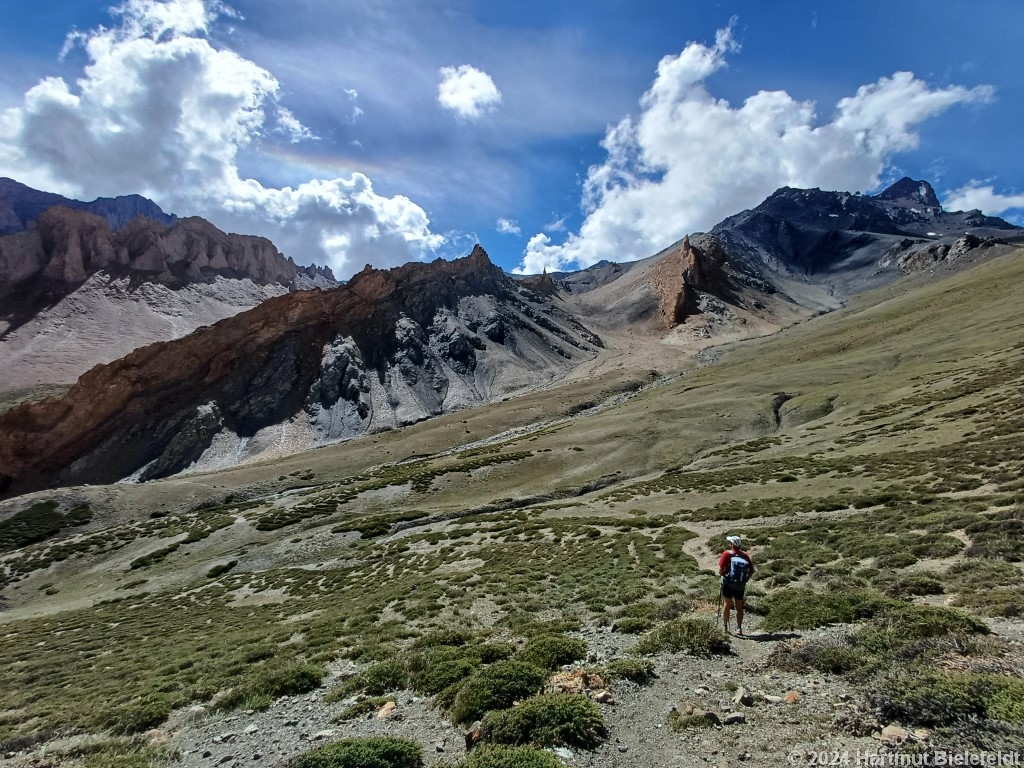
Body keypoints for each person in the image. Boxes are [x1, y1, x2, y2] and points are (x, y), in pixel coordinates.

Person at [719, 534, 754, 635]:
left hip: (728, 583)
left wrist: (724, 575)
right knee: (739, 605)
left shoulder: (727, 554)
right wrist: (745, 579)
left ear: (732, 544)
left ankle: (725, 627)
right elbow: (752, 570)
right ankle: (739, 628)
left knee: (727, 603)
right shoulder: (745, 555)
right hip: (740, 584)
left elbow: (721, 570)